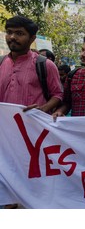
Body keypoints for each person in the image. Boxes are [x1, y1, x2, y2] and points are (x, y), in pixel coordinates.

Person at [0, 15, 63, 209]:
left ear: (32, 38)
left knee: (32, 185)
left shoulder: (45, 65)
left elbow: (58, 95)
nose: (12, 37)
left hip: (33, 139)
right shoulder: (1, 62)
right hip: (4, 139)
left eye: (19, 33)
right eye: (9, 32)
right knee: (6, 185)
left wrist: (42, 109)